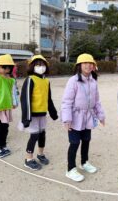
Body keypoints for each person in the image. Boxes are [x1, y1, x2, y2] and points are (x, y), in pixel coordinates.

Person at [61, 53, 105, 182]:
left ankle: (84, 162)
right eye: (85, 63)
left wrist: (101, 116)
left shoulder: (93, 81)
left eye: (90, 63)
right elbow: (67, 101)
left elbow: (97, 101)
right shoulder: (73, 81)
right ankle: (70, 169)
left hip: (88, 116)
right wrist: (67, 119)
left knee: (86, 140)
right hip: (75, 117)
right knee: (74, 143)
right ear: (79, 66)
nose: (88, 65)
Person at [19, 55, 58, 170]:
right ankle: (28, 158)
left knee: (42, 134)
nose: (40, 67)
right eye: (37, 64)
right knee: (34, 135)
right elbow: (25, 99)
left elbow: (48, 98)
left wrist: (53, 113)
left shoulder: (46, 81)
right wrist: (26, 117)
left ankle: (40, 154)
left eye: (42, 65)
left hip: (42, 113)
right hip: (32, 114)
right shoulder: (30, 79)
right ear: (32, 66)